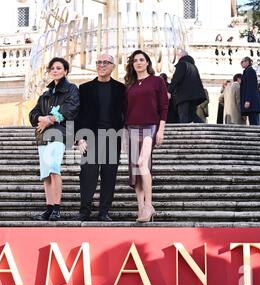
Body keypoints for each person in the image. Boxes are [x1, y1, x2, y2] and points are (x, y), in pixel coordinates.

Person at [74, 54, 126, 222]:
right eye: (99, 62)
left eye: (106, 62)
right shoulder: (85, 88)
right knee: (88, 174)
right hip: (91, 136)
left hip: (113, 136)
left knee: (109, 175)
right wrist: (79, 138)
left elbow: (126, 112)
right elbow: (77, 115)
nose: (102, 65)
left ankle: (104, 211)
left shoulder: (121, 88)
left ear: (113, 66)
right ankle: (85, 211)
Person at [29, 57, 79, 221]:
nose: (55, 70)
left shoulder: (71, 89)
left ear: (65, 71)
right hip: (43, 134)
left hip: (61, 132)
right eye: (52, 68)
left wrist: (48, 120)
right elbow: (33, 113)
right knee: (45, 173)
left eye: (59, 68)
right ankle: (49, 208)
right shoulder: (45, 94)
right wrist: (41, 119)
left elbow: (70, 109)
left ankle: (57, 207)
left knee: (53, 167)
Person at [124, 50, 169, 222]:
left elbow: (164, 105)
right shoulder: (130, 85)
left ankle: (149, 205)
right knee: (136, 169)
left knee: (143, 163)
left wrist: (161, 129)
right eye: (135, 60)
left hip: (150, 127)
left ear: (148, 63)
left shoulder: (157, 81)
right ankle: (141, 207)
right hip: (131, 128)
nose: (138, 63)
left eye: (142, 60)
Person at [169, 49, 206, 123]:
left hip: (183, 96)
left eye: (178, 55)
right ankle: (204, 127)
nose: (177, 58)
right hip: (194, 96)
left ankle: (183, 134)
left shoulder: (182, 64)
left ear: (182, 56)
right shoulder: (193, 66)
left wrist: (169, 90)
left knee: (183, 115)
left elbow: (176, 79)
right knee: (193, 115)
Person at [240, 57, 260, 125]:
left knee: (253, 121)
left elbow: (250, 87)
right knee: (252, 120)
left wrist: (247, 100)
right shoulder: (247, 71)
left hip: (251, 101)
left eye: (242, 61)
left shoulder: (251, 71)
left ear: (247, 62)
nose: (241, 63)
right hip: (250, 101)